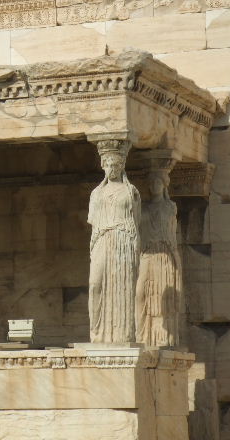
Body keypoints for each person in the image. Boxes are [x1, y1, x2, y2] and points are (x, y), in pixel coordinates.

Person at [88, 142, 140, 343]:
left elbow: (136, 221)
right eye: (108, 165)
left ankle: (121, 334)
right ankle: (98, 332)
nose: (111, 169)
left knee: (122, 285)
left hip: (122, 239)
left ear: (121, 167)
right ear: (103, 166)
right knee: (95, 283)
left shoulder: (131, 191)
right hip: (102, 238)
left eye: (115, 166)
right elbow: (93, 220)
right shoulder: (96, 193)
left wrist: (135, 249)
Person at [135, 170, 182, 347]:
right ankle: (141, 335)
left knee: (165, 296)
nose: (155, 186)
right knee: (140, 293)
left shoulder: (171, 207)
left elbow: (171, 232)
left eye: (158, 183)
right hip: (146, 253)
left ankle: (164, 337)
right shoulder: (143, 208)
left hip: (164, 254)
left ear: (164, 185)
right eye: (152, 183)